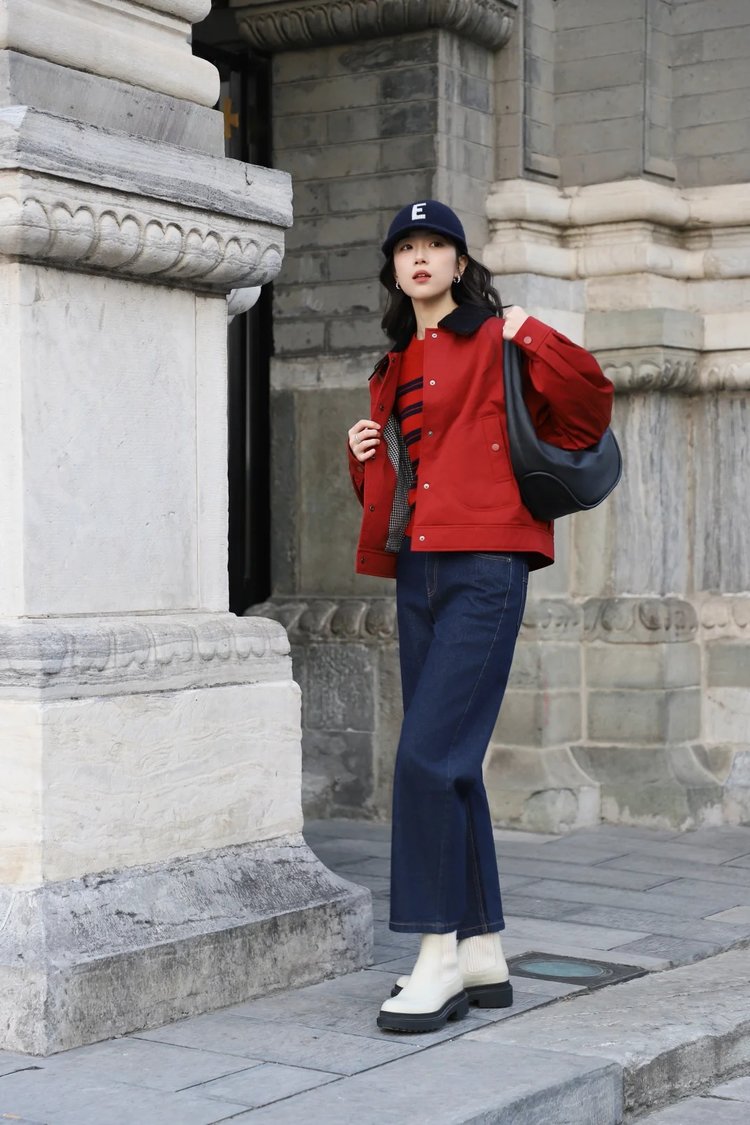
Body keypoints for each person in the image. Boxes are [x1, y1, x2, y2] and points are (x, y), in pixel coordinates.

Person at [346, 200, 614, 1033]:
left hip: (487, 565)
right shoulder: (392, 366)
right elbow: (406, 487)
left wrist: (532, 332)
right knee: (451, 761)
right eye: (408, 247)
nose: (422, 257)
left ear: (460, 264)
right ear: (395, 269)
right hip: (418, 570)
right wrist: (363, 459)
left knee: (426, 756)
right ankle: (480, 948)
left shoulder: (499, 338)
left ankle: (435, 956)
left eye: (437, 245)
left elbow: (588, 407)